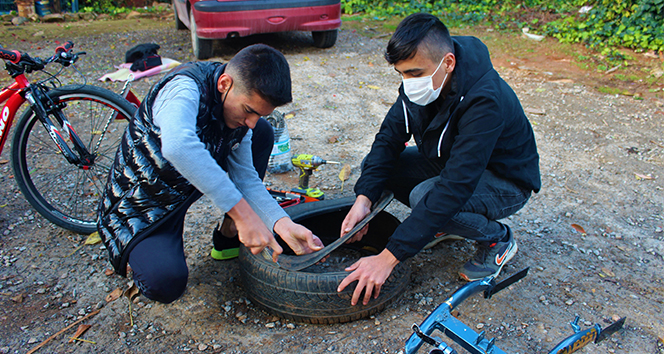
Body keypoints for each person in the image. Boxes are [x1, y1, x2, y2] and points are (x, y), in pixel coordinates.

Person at [337, 13, 541, 306]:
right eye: (402, 74)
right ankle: (442, 223)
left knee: (426, 197)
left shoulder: (485, 100)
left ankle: (498, 240)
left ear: (448, 62)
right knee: (378, 168)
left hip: (505, 180)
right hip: (455, 162)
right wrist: (364, 199)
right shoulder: (422, 83)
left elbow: (455, 186)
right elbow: (388, 140)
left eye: (415, 74)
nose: (408, 83)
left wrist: (388, 257)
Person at [98, 44, 323, 304]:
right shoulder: (182, 89)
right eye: (249, 110)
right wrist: (245, 215)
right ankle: (141, 254)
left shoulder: (238, 111)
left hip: (186, 185)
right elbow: (177, 146)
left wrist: (283, 224)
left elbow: (246, 179)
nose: (251, 122)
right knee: (165, 283)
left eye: (259, 113)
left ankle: (228, 234)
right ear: (224, 83)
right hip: (145, 202)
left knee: (262, 132)